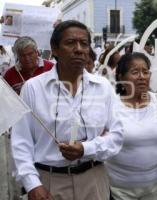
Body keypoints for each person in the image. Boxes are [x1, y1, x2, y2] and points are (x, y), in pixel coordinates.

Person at [11, 20, 123, 200]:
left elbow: (116, 137)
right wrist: (32, 184)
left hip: (93, 180)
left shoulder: (103, 87)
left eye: (84, 43)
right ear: (54, 49)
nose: (79, 49)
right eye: (70, 43)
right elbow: (21, 142)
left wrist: (85, 149)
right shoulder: (33, 89)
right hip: (48, 183)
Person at [106, 52, 157, 200]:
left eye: (145, 72)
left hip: (156, 190)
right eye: (135, 72)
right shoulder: (110, 105)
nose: (142, 76)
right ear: (120, 77)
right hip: (118, 191)